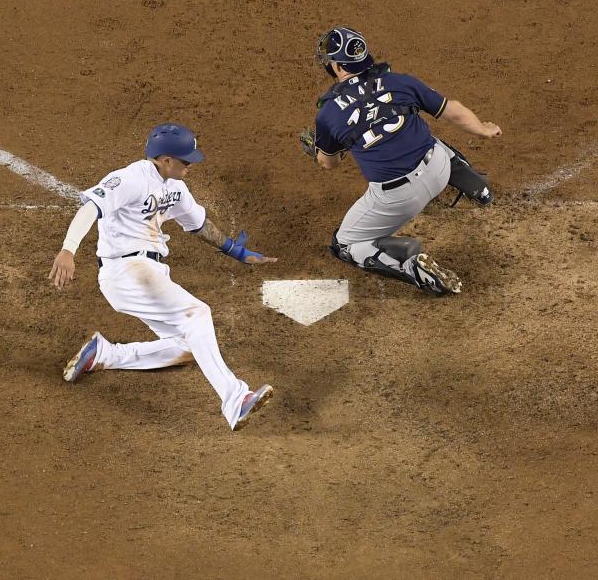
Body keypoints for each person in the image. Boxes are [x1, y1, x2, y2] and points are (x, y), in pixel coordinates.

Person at [48, 123, 277, 431]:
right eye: (186, 160)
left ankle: (105, 354)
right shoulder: (131, 178)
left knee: (189, 345)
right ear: (165, 159)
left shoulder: (175, 188)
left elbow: (199, 225)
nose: (190, 165)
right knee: (199, 315)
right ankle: (235, 399)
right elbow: (92, 207)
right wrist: (68, 250)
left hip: (149, 272)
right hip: (126, 271)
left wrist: (236, 251)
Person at [301, 27, 502, 294]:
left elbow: (329, 163)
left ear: (337, 67)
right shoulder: (399, 81)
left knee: (344, 245)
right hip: (438, 168)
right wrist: (482, 129)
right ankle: (475, 184)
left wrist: (321, 151)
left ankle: (410, 266)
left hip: (398, 200)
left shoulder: (328, 114)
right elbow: (451, 110)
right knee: (423, 135)